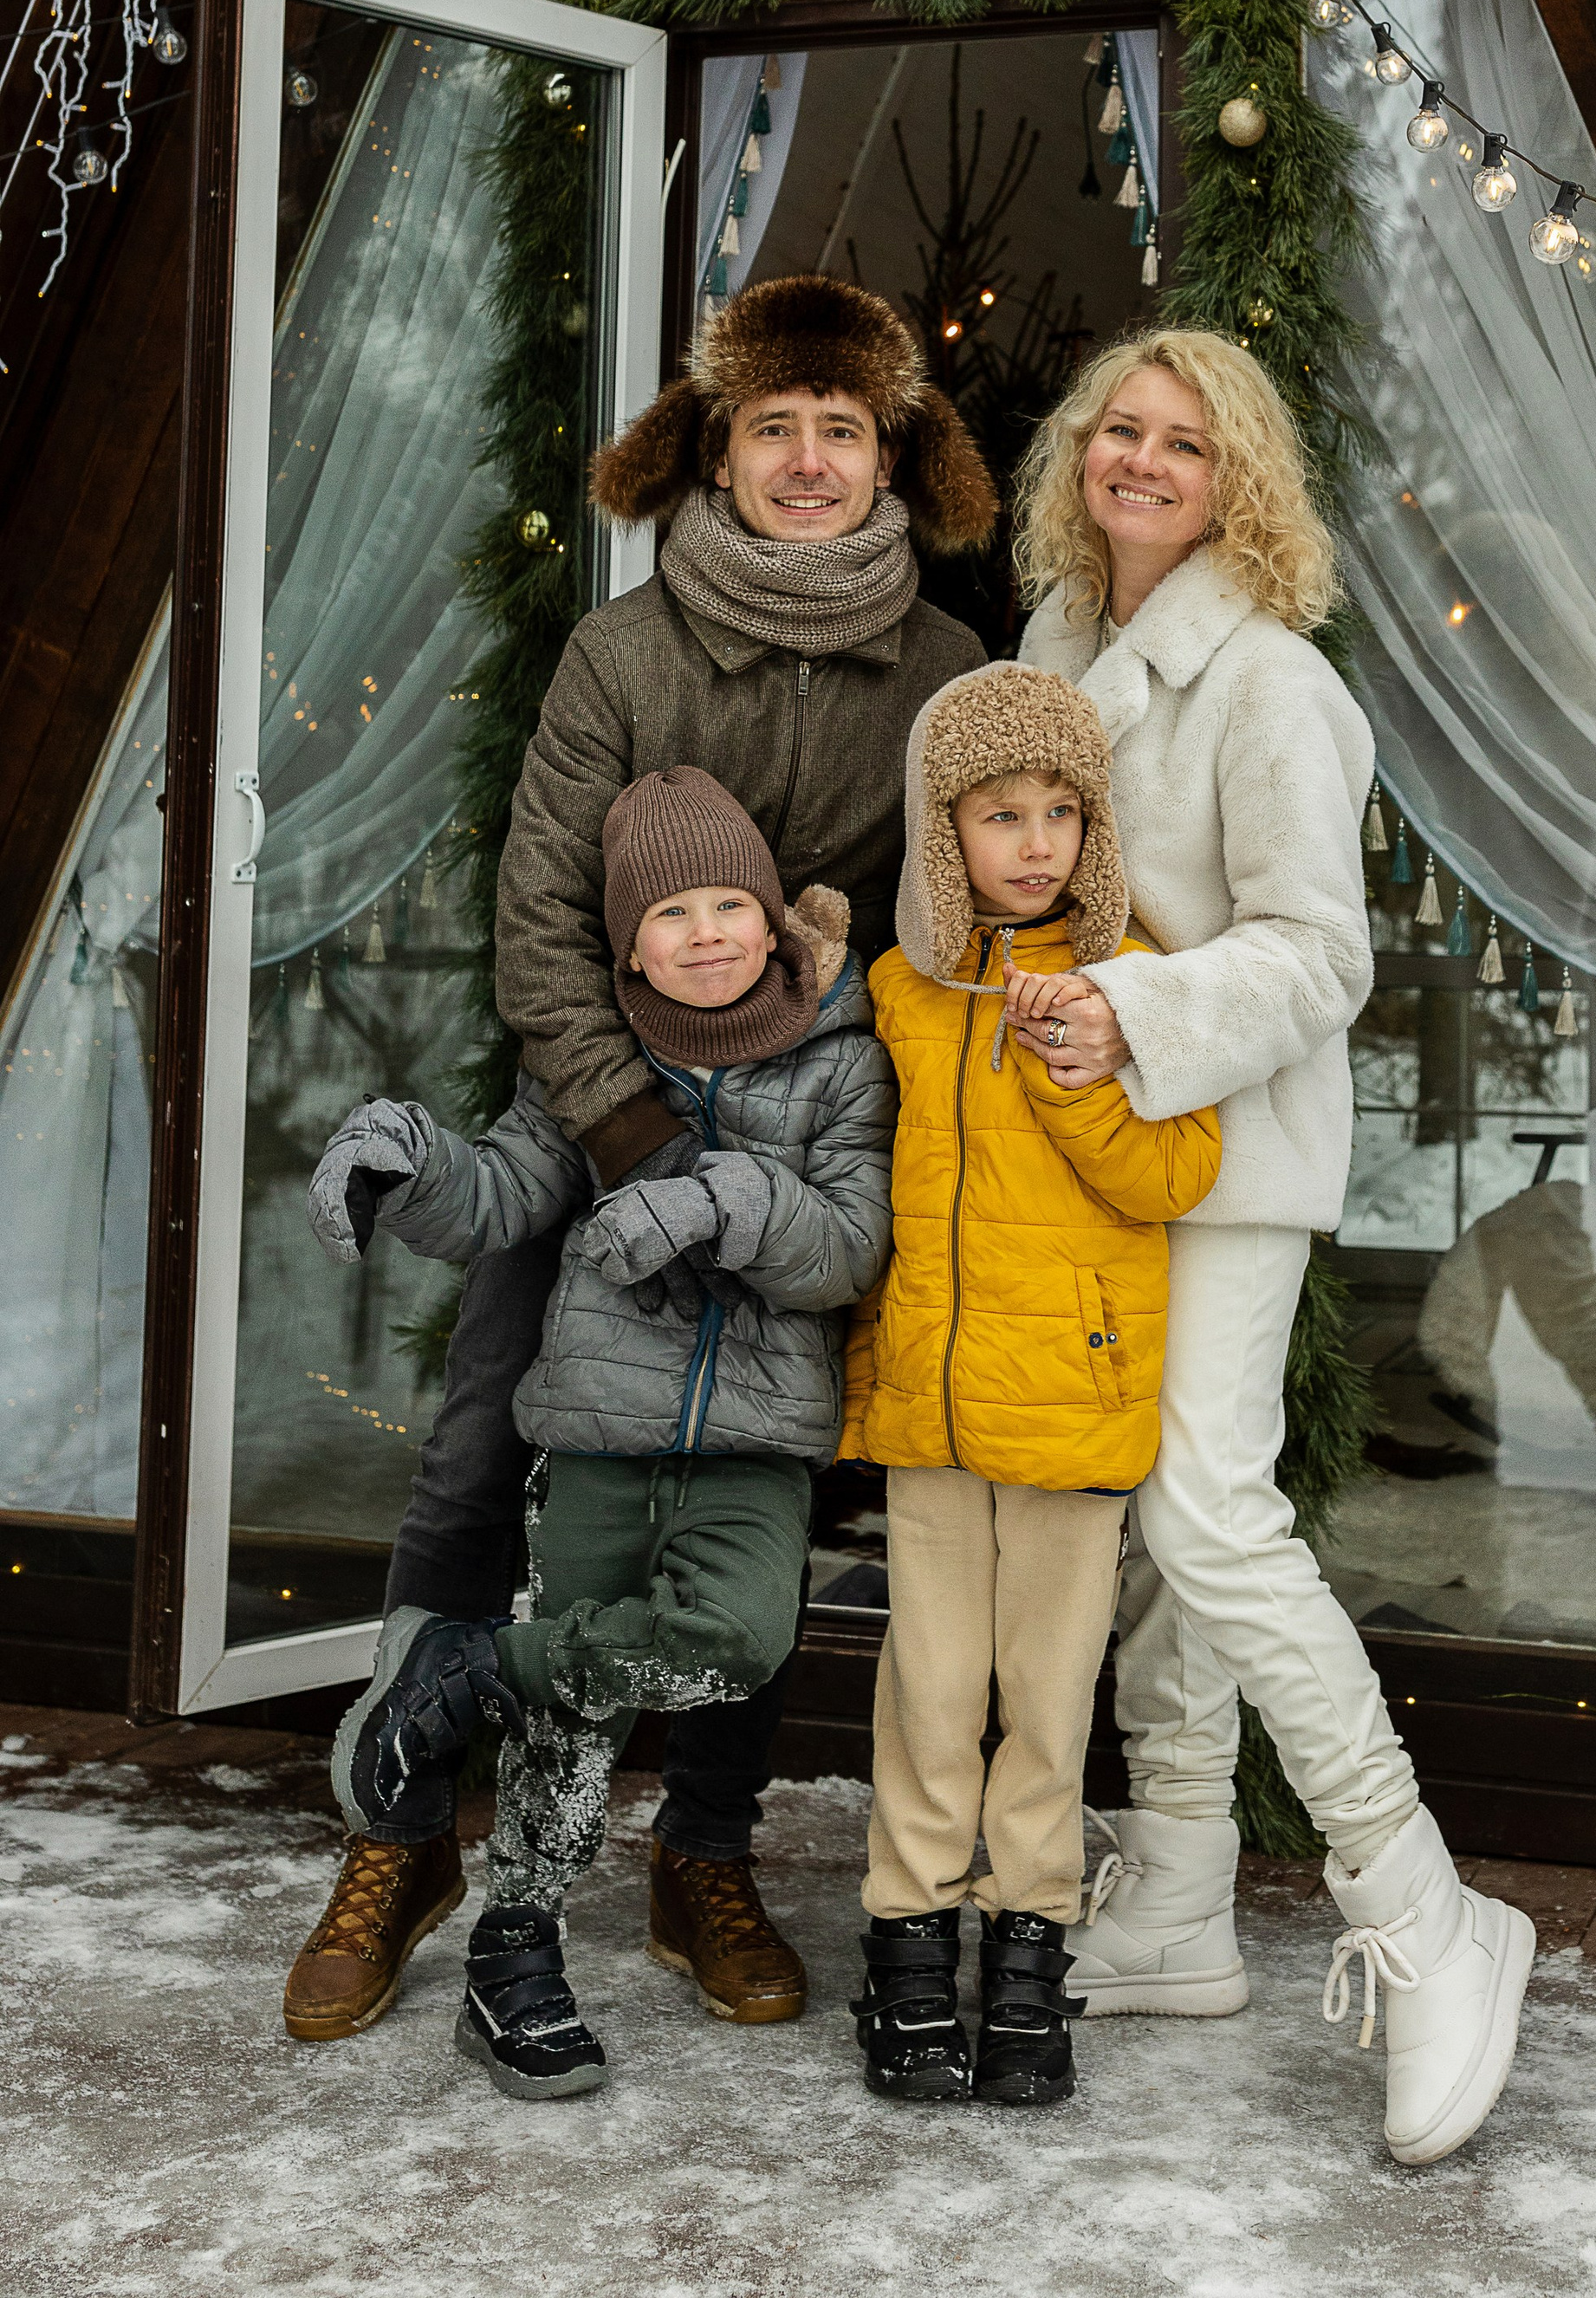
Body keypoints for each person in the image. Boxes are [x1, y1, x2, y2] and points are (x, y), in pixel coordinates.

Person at [282, 276, 994, 2044]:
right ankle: (403, 1836)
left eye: (843, 427)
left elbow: (965, 922)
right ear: (716, 447)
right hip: (592, 1122)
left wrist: (807, 1052)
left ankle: (705, 1851)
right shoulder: (624, 649)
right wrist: (638, 1138)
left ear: (889, 448)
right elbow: (538, 921)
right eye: (774, 427)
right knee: (468, 1468)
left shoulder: (946, 672)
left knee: (758, 1492)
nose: (810, 460)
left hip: (809, 1148)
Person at [1002, 328, 1534, 2171]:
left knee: (1206, 1513)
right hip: (1086, 1154)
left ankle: (1421, 1908)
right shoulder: (1051, 656)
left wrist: (1132, 1011)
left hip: (1219, 1151)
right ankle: (1171, 1894)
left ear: (1240, 483)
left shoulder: (1273, 683)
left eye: (1185, 442)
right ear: (1078, 455)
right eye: (1117, 432)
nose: (1143, 462)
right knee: (1145, 1519)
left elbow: (1322, 953)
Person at [303, 766, 895, 2099]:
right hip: (593, 1435)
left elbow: (849, 1244)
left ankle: (471, 1660)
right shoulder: (589, 1061)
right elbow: (507, 1189)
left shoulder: (846, 1058)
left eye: (729, 901)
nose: (705, 931)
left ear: (774, 917)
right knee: (566, 1726)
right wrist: (408, 1156)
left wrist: (711, 1202)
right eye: (670, 911)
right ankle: (515, 1952)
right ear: (626, 942)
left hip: (751, 1442)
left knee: (739, 1638)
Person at [839, 665, 1220, 2109]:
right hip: (934, 1409)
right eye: (1004, 813)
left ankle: (1026, 1951)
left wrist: (1079, 1071)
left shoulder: (1138, 975)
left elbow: (1179, 1170)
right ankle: (910, 1940)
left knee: (1049, 1694)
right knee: (930, 1683)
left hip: (1070, 1396)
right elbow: (866, 1174)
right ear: (949, 830)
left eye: (1064, 810)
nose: (1038, 841)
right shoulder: (902, 988)